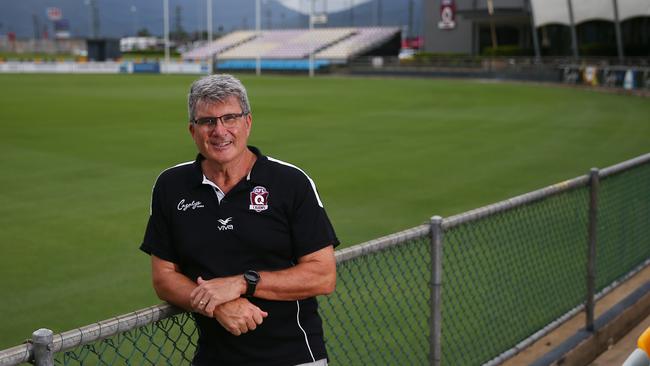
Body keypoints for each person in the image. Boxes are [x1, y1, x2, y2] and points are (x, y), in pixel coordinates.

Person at [140, 74, 339, 366]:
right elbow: (164, 277)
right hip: (214, 358)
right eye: (207, 121)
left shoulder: (290, 182)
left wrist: (243, 283)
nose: (219, 131)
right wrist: (216, 305)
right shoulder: (171, 185)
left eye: (230, 118)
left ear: (248, 122)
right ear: (192, 130)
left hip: (293, 356)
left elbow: (323, 275)